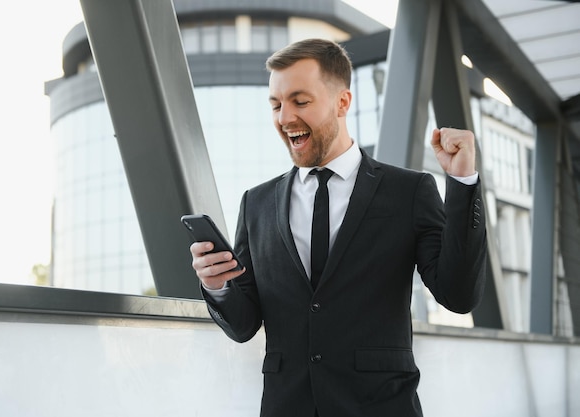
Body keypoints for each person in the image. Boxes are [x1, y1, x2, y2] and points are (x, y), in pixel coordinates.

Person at [189, 38, 487, 417]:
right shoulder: (256, 204)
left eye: (300, 101)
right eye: (276, 105)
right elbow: (244, 325)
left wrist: (462, 184)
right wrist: (217, 286)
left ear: (342, 102)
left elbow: (459, 296)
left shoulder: (408, 191)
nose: (284, 118)